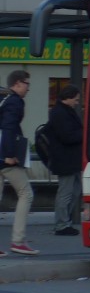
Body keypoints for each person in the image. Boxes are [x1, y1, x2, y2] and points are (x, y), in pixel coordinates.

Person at [0, 70, 39, 256]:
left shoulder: (3, 99)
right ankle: (18, 241)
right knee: (26, 194)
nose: (28, 88)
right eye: (26, 84)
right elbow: (8, 127)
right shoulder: (15, 101)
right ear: (16, 83)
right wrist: (8, 154)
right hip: (5, 158)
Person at [46, 85, 84, 236]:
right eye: (76, 99)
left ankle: (64, 222)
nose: (77, 102)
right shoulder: (60, 113)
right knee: (67, 192)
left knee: (74, 191)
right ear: (67, 98)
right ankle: (62, 224)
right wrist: (85, 133)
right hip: (66, 160)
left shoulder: (62, 111)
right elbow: (67, 136)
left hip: (69, 159)